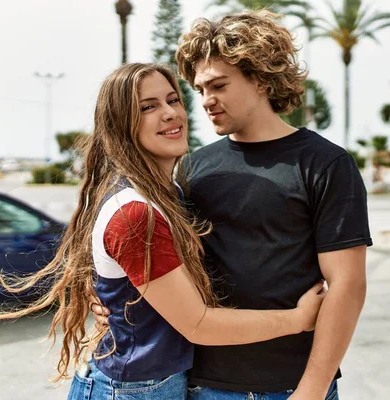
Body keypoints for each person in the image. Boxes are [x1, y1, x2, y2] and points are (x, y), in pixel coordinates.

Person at [0, 62, 326, 400]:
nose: (170, 113)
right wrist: (297, 319)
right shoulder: (135, 213)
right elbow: (197, 324)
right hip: (130, 389)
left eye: (173, 100)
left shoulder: (166, 194)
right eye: (148, 107)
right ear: (120, 125)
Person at [95, 10, 372, 400]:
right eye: (200, 90)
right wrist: (103, 297)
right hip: (200, 383)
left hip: (291, 385)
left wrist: (312, 389)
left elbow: (348, 284)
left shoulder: (325, 164)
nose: (206, 101)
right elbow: (142, 253)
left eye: (219, 86)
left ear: (260, 78)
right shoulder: (190, 167)